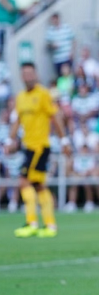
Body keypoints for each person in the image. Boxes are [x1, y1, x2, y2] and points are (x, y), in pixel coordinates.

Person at [5, 63, 71, 237]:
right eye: (24, 74)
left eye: (30, 73)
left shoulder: (43, 94)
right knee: (38, 185)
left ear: (35, 74)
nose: (27, 77)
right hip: (28, 146)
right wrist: (9, 140)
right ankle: (50, 226)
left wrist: (64, 140)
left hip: (40, 146)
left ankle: (31, 223)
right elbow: (17, 120)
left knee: (23, 181)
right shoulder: (21, 97)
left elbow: (55, 116)